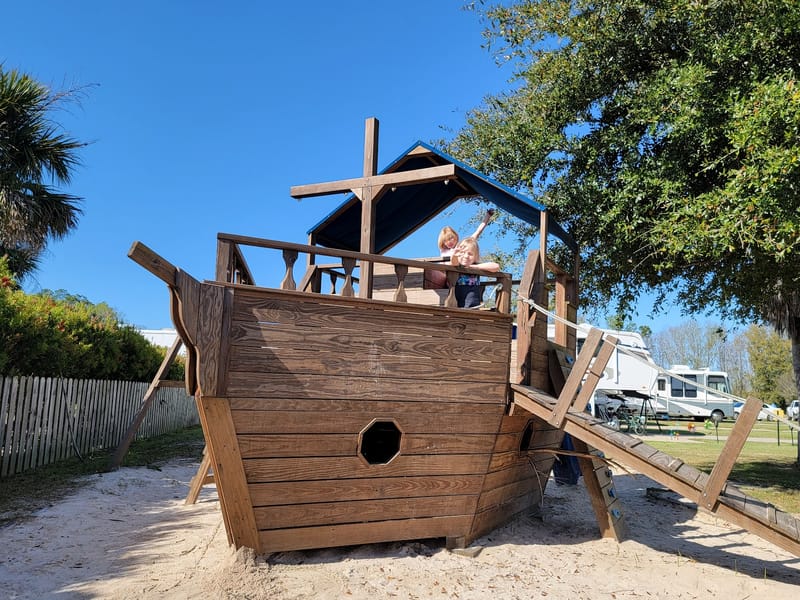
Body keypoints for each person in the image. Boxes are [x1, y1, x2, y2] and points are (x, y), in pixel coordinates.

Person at [450, 237, 500, 308]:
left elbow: (496, 267)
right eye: (462, 253)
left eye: (470, 254)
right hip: (456, 303)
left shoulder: (475, 266)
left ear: (475, 257)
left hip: (473, 304)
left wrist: (475, 267)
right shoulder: (457, 265)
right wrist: (454, 255)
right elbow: (453, 262)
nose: (466, 256)